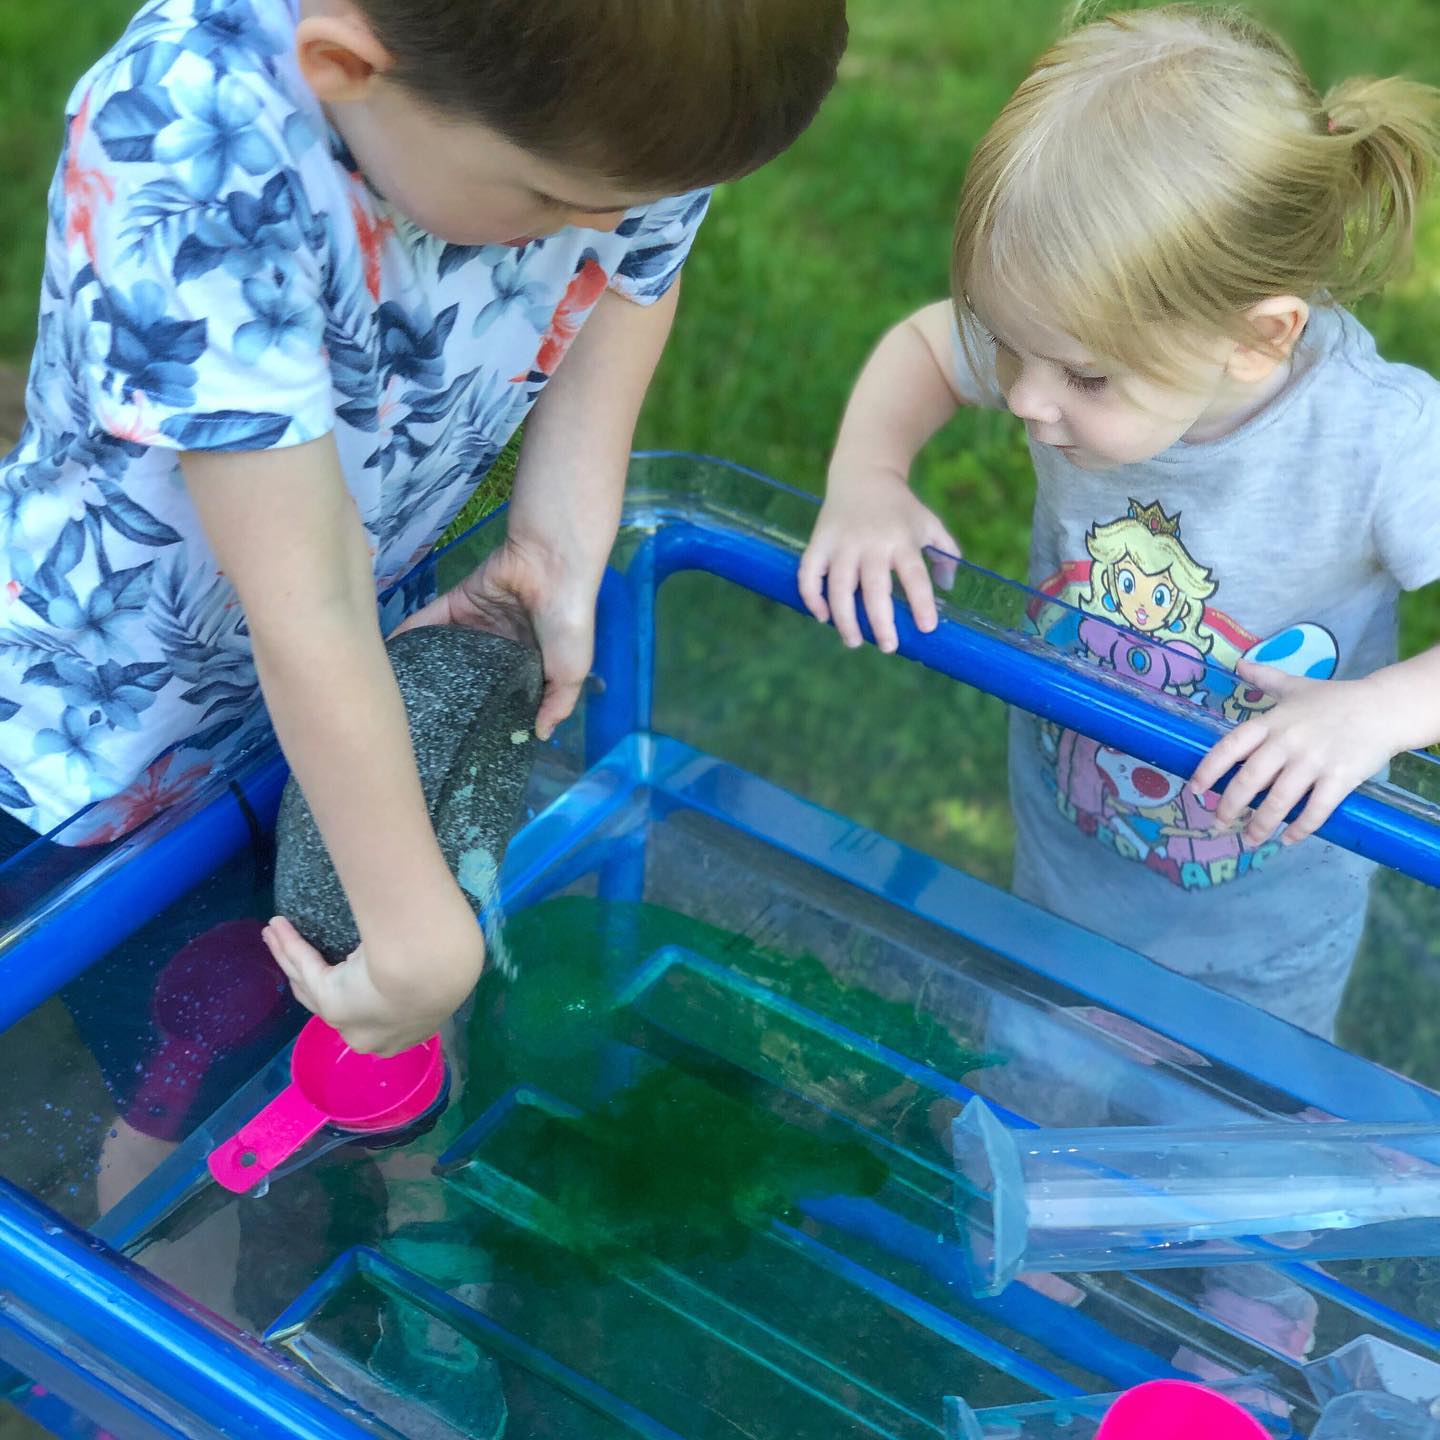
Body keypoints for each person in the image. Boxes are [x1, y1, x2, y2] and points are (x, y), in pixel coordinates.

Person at [0, 0, 849, 1066]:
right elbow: (306, 599)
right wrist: (416, 932)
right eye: (552, 201)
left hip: (345, 681)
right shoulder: (186, 147)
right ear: (346, 68)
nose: (596, 226)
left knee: (307, 1053)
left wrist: (556, 532)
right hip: (105, 746)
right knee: (180, 1088)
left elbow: (638, 273)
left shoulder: (620, 88)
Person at [799, 3, 1440, 1036]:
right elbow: (926, 346)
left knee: (1215, 1141)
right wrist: (868, 476)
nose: (1024, 401)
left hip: (1263, 930)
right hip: (1064, 863)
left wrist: (1379, 715)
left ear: (1257, 338)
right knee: (1041, 1080)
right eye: (1010, 348)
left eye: (1085, 375)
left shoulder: (1376, 440)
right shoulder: (1067, 346)